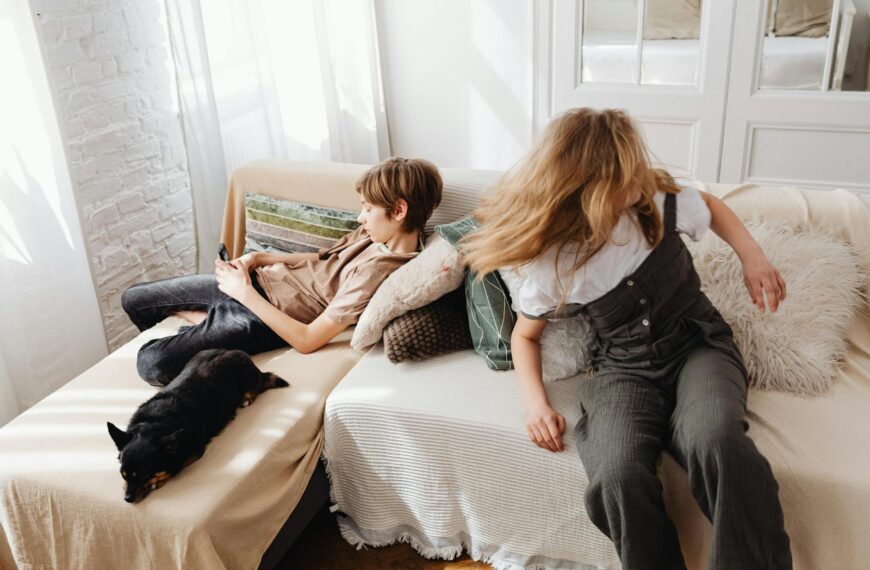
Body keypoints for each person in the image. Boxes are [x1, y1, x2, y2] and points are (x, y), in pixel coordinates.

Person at [461, 108, 792, 569]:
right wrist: (536, 405)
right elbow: (525, 336)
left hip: (699, 346)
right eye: (628, 171)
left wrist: (752, 256)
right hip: (625, 368)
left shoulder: (656, 202)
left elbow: (710, 205)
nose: (641, 174)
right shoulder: (554, 259)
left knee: (716, 441)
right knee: (616, 474)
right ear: (593, 186)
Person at [122, 157, 442, 387]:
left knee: (152, 363)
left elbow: (307, 340)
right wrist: (259, 258)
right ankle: (203, 321)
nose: (360, 217)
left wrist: (243, 293)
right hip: (256, 281)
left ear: (398, 211)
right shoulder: (375, 235)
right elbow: (323, 258)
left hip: (260, 314)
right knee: (134, 299)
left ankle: (205, 326)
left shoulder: (378, 274)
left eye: (368, 209)